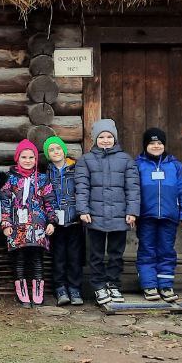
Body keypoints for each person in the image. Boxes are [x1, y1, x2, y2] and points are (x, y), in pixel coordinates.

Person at [75, 119, 139, 306]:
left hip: (120, 216)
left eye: (109, 136)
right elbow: (82, 187)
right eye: (101, 137)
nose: (105, 140)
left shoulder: (126, 160)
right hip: (95, 215)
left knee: (115, 254)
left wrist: (132, 211)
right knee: (95, 254)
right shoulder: (86, 160)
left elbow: (133, 188)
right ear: (95, 139)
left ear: (115, 138)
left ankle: (113, 284)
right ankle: (99, 286)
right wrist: (83, 210)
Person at [134, 129, 182, 303]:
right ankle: (149, 285)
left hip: (169, 216)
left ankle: (165, 285)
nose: (156, 146)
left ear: (164, 145)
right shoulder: (138, 164)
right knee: (147, 250)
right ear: (146, 145)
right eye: (152, 143)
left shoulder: (175, 166)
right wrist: (133, 213)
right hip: (146, 216)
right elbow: (133, 191)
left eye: (159, 143)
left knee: (166, 250)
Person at [0, 139, 55, 306]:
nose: (28, 160)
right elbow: (5, 202)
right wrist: (6, 223)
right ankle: (22, 293)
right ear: (18, 158)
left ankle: (38, 293)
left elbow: (49, 201)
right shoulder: (10, 179)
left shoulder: (43, 179)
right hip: (17, 226)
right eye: (24, 157)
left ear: (36, 159)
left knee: (37, 259)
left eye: (31, 157)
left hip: (38, 226)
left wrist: (52, 221)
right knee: (20, 259)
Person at [42, 136, 84, 306]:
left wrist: (82, 212)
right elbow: (46, 196)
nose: (55, 152)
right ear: (47, 154)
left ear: (64, 150)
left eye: (58, 148)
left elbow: (82, 191)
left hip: (74, 221)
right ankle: (60, 289)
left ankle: (74, 289)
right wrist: (50, 219)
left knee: (74, 257)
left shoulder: (76, 168)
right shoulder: (47, 172)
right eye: (51, 150)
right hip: (56, 223)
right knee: (58, 257)